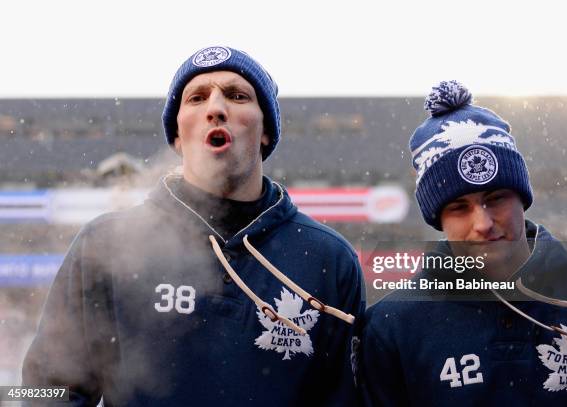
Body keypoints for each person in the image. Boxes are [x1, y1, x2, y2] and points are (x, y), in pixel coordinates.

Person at [23, 46, 364, 406]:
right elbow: (46, 391)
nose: (216, 108)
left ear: (266, 131)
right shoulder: (104, 243)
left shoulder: (329, 258)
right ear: (176, 136)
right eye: (197, 98)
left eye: (237, 95)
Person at [359, 81, 567, 406]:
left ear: (522, 199)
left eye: (495, 198)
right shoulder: (392, 327)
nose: (483, 223)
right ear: (439, 220)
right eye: (460, 208)